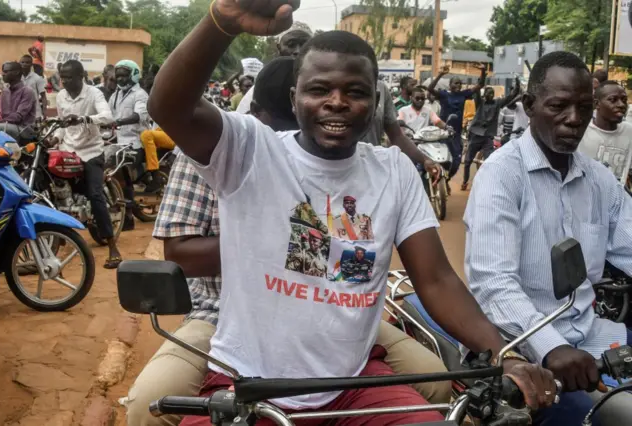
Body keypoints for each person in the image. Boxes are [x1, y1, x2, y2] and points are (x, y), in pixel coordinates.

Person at [149, 3, 557, 425]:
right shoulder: (251, 150)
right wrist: (222, 23)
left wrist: (503, 356)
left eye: (356, 92)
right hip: (251, 386)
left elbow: (436, 280)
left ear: (376, 100)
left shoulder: (394, 170)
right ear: (295, 97)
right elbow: (169, 107)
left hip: (355, 386)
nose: (337, 103)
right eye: (319, 90)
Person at [126, 54, 456, 426]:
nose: (288, 145)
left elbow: (430, 275)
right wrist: (276, 236)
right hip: (222, 316)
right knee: (148, 403)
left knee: (434, 379)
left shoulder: (350, 157)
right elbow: (180, 252)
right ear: (266, 111)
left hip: (336, 310)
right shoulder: (226, 149)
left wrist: (322, 247)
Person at [464, 51, 632, 426]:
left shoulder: (600, 179)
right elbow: (493, 283)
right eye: (558, 106)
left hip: (594, 336)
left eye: (584, 107)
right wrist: (550, 347)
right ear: (530, 105)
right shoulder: (500, 176)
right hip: (524, 353)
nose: (574, 120)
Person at [50, 60, 122, 269]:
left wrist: (82, 118)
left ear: (82, 75)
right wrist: (54, 138)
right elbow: (62, 125)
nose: (64, 81)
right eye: (62, 77)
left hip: (91, 151)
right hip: (68, 149)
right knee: (53, 185)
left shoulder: (94, 93)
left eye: (70, 77)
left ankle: (112, 247)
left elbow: (107, 116)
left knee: (95, 194)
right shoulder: (62, 96)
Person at [235, 21, 313, 114]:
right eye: (291, 45)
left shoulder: (325, 81)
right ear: (279, 48)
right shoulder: (263, 87)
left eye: (304, 45)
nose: (298, 51)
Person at [427, 65, 487, 182]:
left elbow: (480, 85)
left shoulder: (463, 95)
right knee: (441, 158)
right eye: (456, 83)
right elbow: (430, 89)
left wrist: (483, 71)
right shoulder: (444, 95)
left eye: (460, 83)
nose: (459, 85)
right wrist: (440, 74)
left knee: (457, 161)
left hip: (456, 133)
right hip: (443, 132)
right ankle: (438, 180)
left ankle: (446, 180)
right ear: (450, 85)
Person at [109, 59, 149, 232]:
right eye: (118, 76)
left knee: (119, 172)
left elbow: (138, 116)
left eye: (124, 76)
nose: (120, 79)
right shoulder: (115, 95)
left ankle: (128, 216)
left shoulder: (140, 95)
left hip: (135, 144)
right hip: (117, 142)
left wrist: (118, 122)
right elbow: (107, 114)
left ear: (134, 76)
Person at [461, 83, 521, 190]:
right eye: (488, 93)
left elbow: (509, 98)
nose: (491, 95)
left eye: (492, 93)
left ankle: (489, 182)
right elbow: (477, 90)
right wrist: (482, 76)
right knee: (467, 161)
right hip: (475, 135)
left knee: (490, 160)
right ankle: (465, 181)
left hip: (487, 137)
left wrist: (516, 87)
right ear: (484, 95)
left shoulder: (497, 103)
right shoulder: (480, 103)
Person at [578, 81, 632, 185]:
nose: (621, 104)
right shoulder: (582, 131)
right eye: (613, 100)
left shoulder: (629, 131)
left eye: (624, 100)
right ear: (597, 103)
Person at [0, 61, 36, 141]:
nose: (2, 74)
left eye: (5, 71)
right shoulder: (5, 91)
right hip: (6, 126)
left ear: (16, 72)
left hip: (23, 130)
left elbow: (18, 117)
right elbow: (3, 115)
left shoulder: (27, 91)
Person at [139, 126, 175, 193]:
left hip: (177, 136)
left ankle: (156, 178)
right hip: (165, 130)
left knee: (146, 135)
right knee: (143, 136)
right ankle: (145, 176)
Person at [20, 55, 47, 119]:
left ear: (31, 64)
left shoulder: (37, 78)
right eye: (22, 62)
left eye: (27, 62)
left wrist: (44, 111)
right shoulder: (17, 78)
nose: (24, 64)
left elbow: (43, 96)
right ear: (19, 63)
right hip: (20, 114)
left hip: (35, 114)